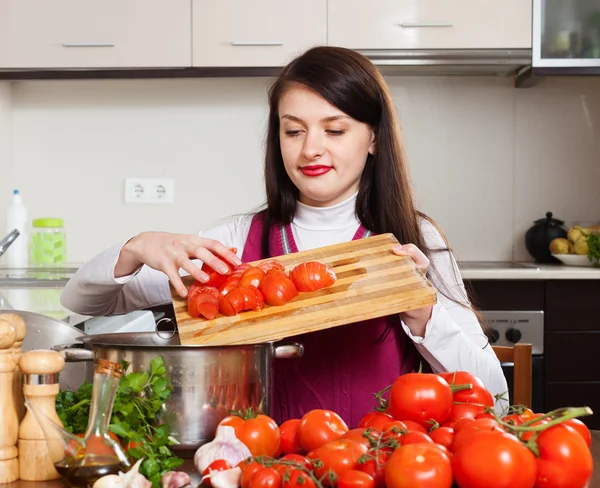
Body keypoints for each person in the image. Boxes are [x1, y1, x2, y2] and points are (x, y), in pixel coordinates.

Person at [61, 46, 508, 427]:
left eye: (334, 130)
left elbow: (494, 394)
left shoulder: (415, 239)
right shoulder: (235, 240)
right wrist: (135, 247)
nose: (310, 147)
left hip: (380, 474)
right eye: (293, 130)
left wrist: (423, 316)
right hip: (260, 475)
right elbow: (84, 301)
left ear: (373, 138)